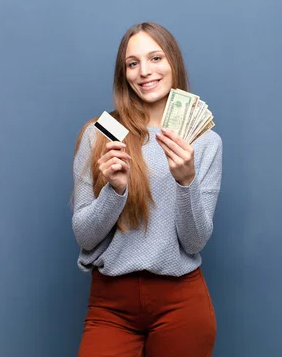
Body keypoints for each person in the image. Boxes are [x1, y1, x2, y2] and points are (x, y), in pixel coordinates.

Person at [71, 22, 222, 356]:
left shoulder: (205, 142)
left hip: (181, 303)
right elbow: (84, 236)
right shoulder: (101, 134)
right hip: (111, 304)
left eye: (155, 58)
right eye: (133, 63)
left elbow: (195, 241)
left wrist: (186, 182)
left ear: (173, 64)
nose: (145, 71)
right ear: (123, 74)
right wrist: (115, 190)